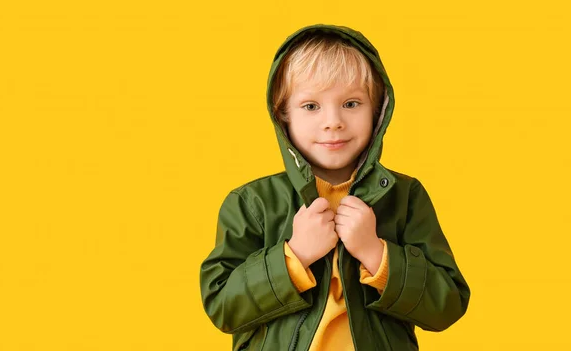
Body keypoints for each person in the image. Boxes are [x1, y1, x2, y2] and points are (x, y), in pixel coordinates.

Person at [199, 23, 471, 351]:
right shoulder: (251, 204)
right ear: (283, 116)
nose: (333, 121)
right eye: (311, 106)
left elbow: (448, 304)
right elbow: (222, 306)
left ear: (378, 110)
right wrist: (294, 256)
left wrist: (377, 253)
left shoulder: (405, 196)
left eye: (352, 103)